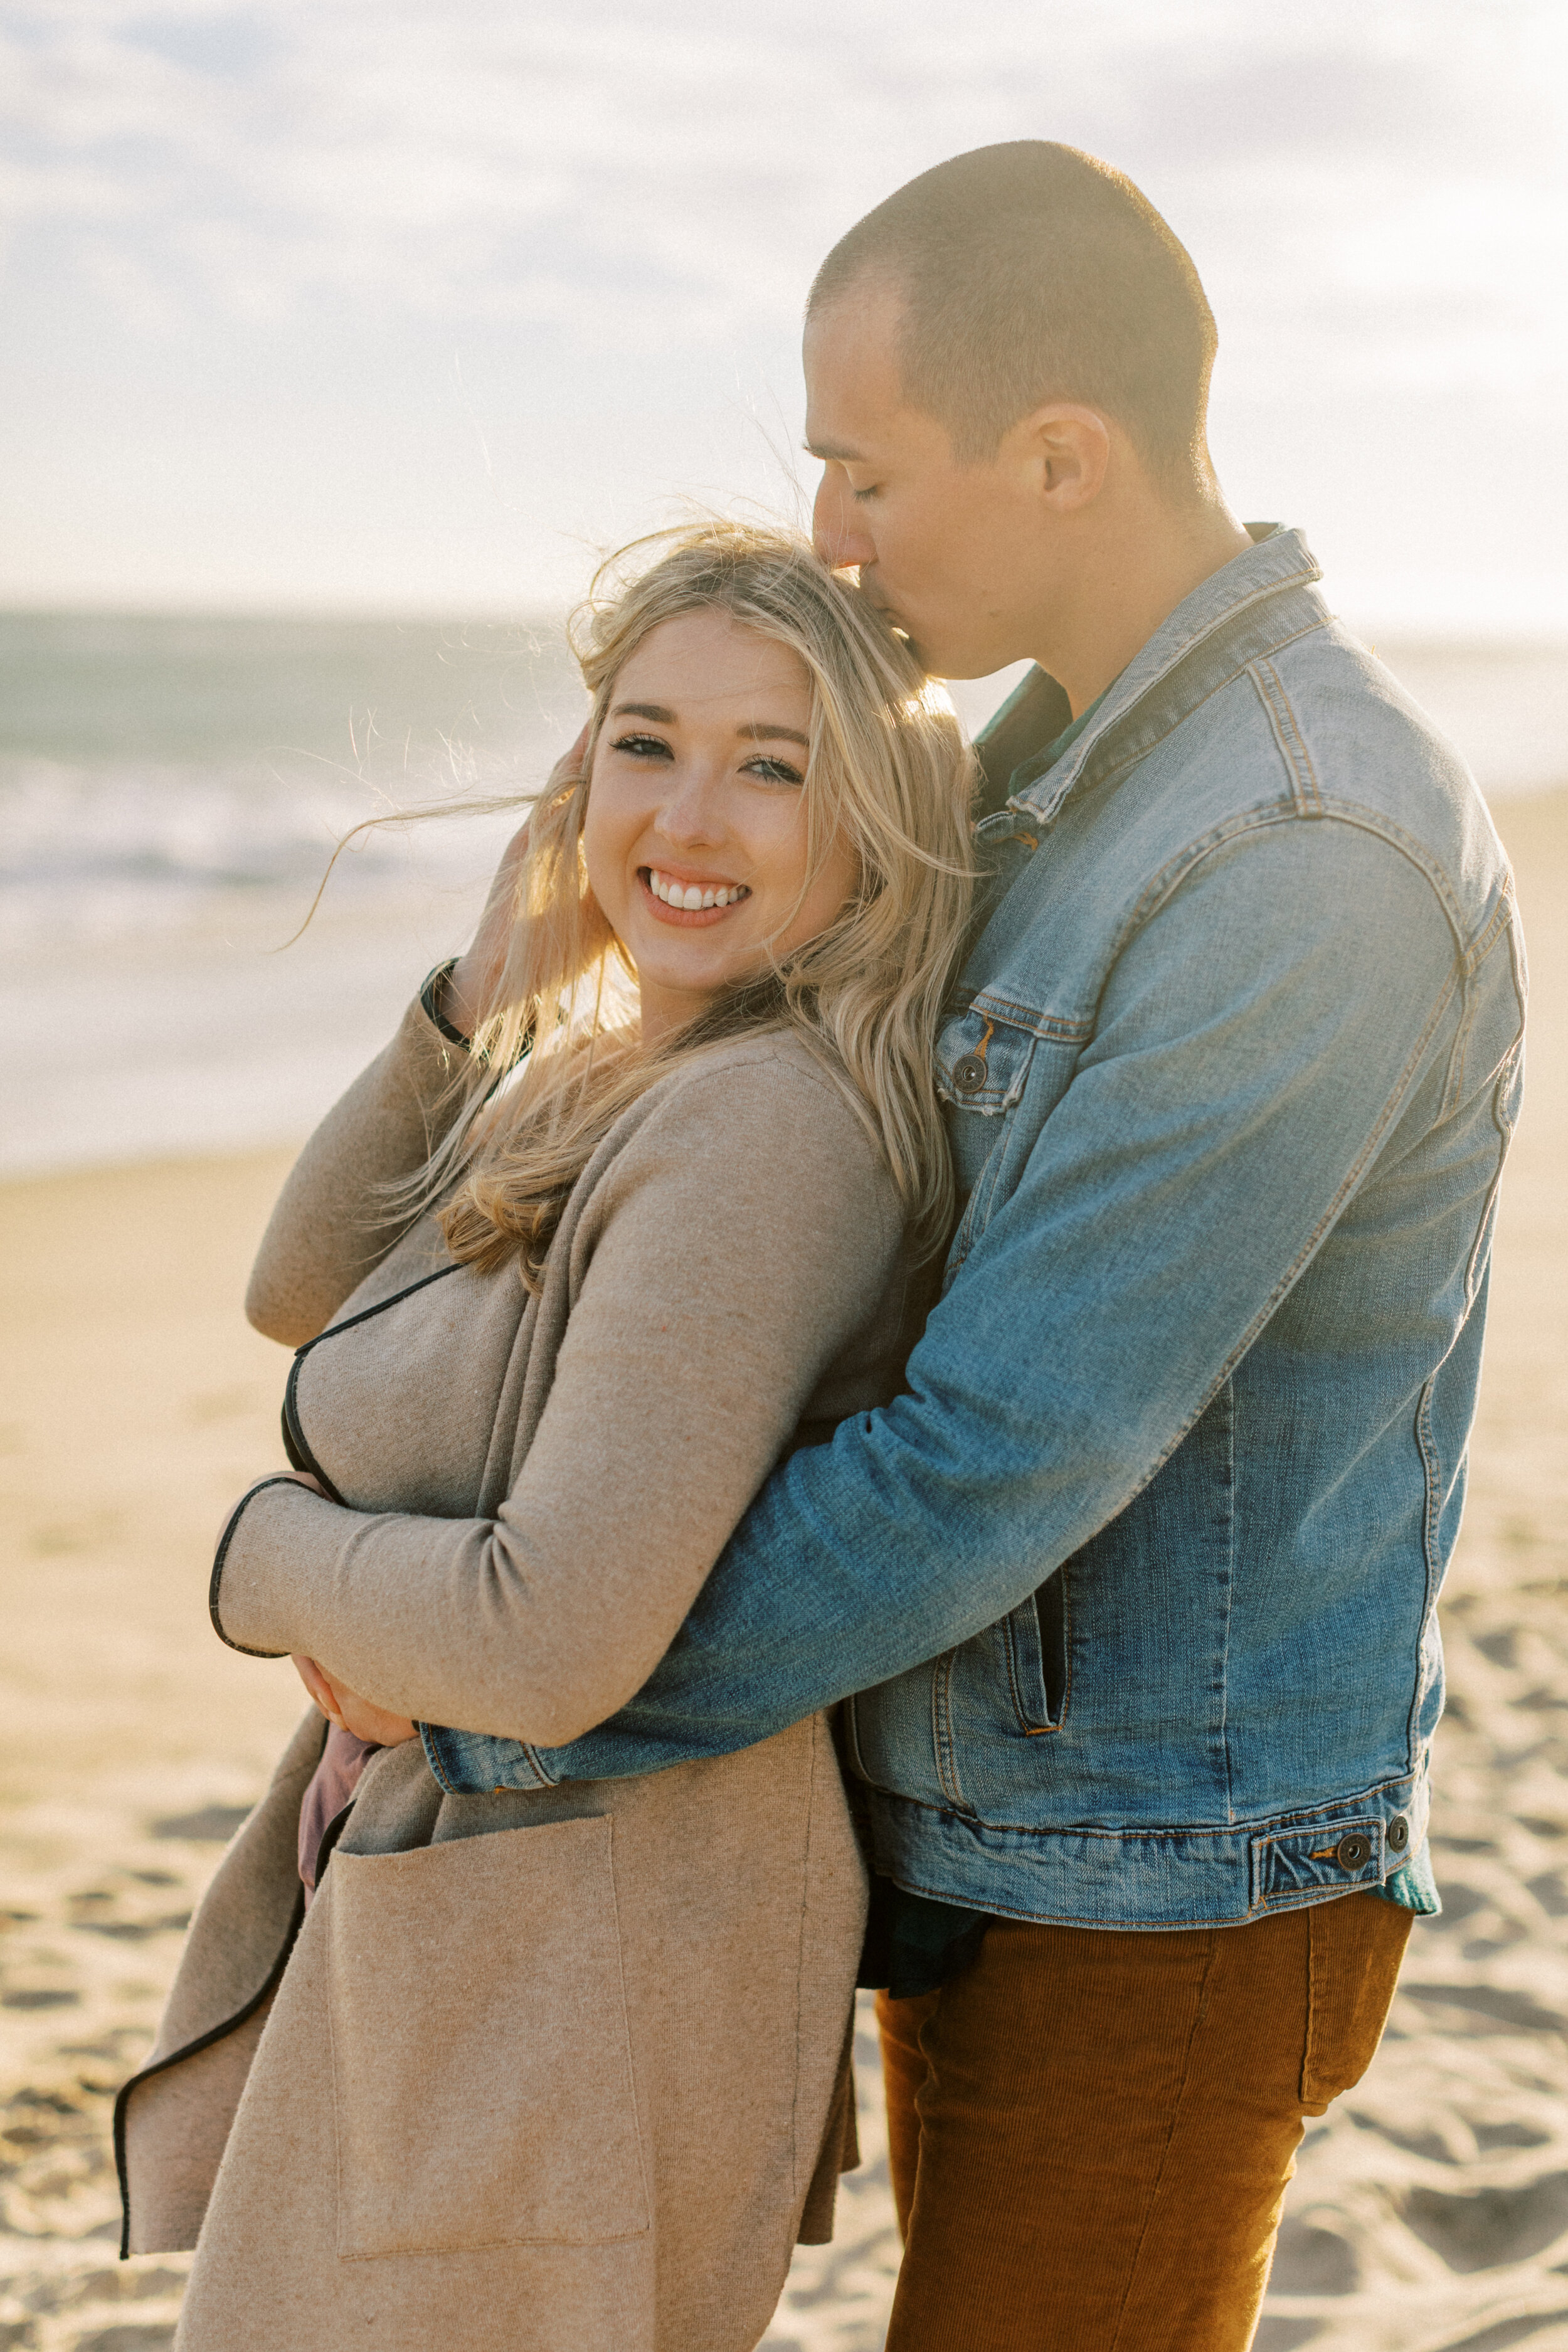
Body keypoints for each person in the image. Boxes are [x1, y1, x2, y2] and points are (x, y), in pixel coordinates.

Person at [447, 146, 1528, 2349]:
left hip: (1161, 1880)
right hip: (972, 1824)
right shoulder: (1032, 784)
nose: (831, 535)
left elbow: (993, 1453)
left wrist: (510, 1703)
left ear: (1059, 455)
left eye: (861, 472)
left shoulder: (1295, 848)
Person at [114, 523, 977, 2352]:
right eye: (644, 744)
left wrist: (258, 1560)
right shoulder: (610, 1068)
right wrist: (477, 991)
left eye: (775, 765)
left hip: (593, 1955)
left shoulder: (762, 1128)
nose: (689, 815)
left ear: (870, 817)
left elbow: (547, 1634)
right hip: (496, 1916)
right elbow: (298, 1287)